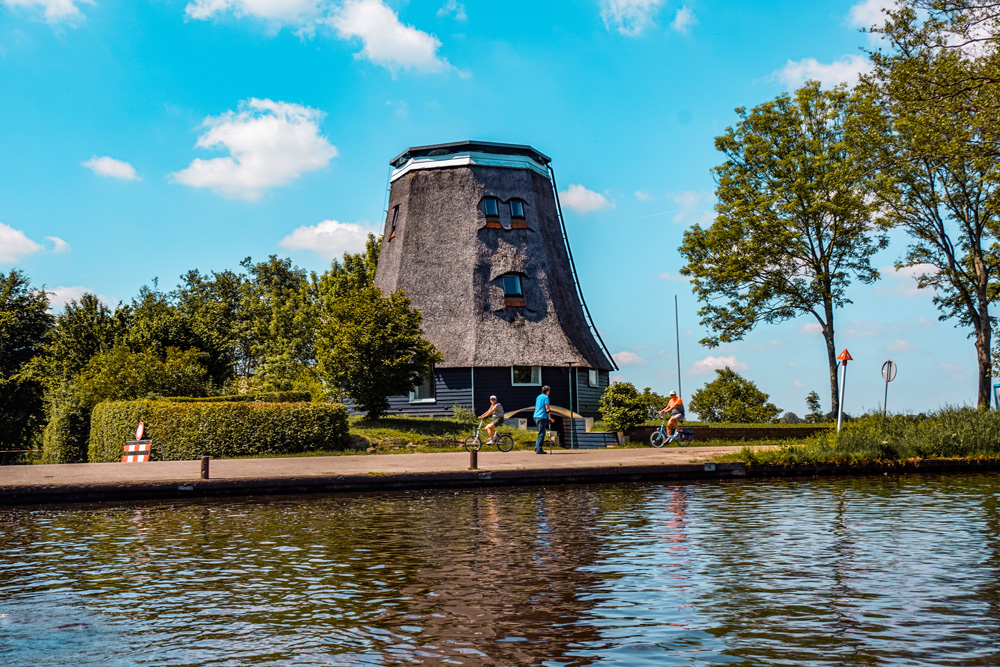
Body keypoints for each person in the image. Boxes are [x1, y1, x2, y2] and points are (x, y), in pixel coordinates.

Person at [534, 385, 551, 454]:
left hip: (536, 416)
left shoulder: (538, 397)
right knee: (542, 433)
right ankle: (539, 449)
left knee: (540, 432)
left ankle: (537, 446)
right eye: (549, 391)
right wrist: (549, 417)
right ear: (547, 391)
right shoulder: (546, 397)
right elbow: (547, 407)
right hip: (541, 416)